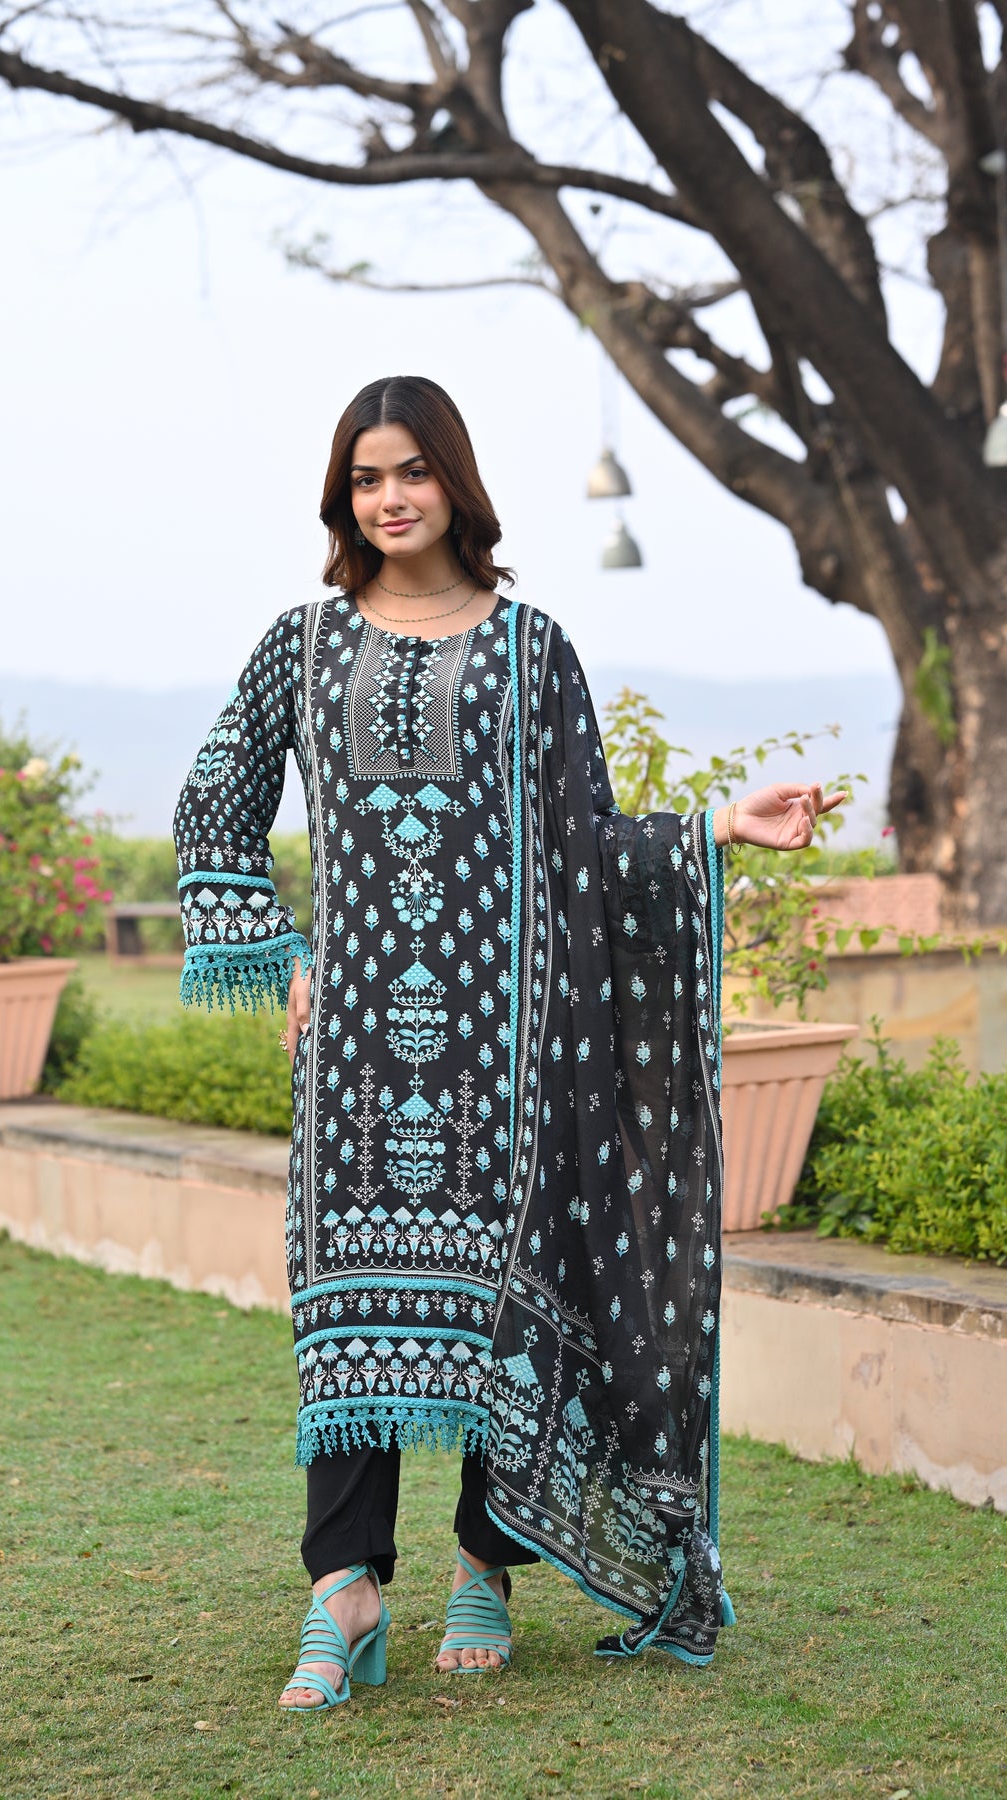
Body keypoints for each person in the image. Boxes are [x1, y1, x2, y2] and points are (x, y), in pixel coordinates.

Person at [174, 375, 843, 1711]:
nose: (391, 498)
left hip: (511, 1046)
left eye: (413, 471)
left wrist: (715, 825)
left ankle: (486, 1567)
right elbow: (213, 806)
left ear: (456, 481)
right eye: (366, 479)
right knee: (345, 1316)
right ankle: (344, 1590)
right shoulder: (300, 645)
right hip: (357, 1054)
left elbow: (587, 843)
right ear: (343, 498)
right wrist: (283, 952)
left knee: (504, 1307)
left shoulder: (533, 650)